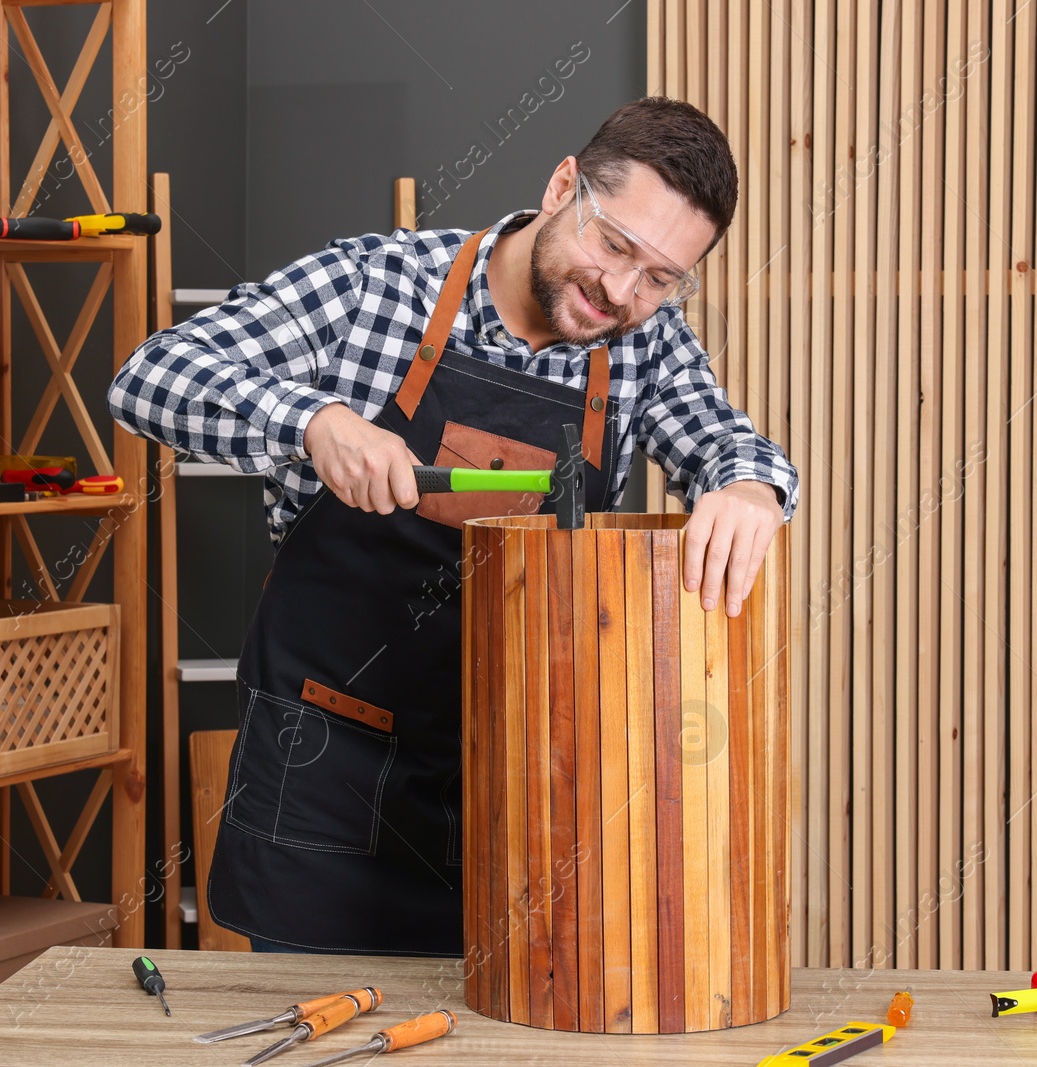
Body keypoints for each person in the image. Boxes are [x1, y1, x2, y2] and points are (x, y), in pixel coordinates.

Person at [109, 96, 798, 956]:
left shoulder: (643, 345)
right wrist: (314, 421)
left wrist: (749, 488)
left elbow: (727, 441)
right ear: (561, 188)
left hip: (515, 789)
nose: (622, 292)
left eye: (661, 278)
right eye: (615, 246)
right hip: (326, 776)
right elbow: (148, 375)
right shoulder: (375, 287)